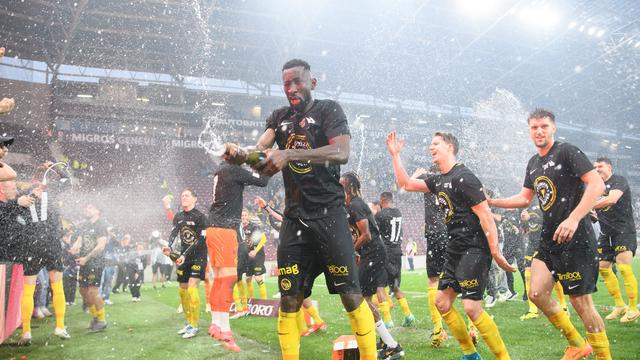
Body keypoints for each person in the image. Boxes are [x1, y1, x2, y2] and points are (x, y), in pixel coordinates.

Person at [236, 59, 377, 359]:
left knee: (351, 296)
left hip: (330, 217)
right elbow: (261, 152)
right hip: (295, 219)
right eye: (286, 83)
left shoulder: (329, 110)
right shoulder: (278, 117)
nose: (292, 88)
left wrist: (289, 153)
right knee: (289, 299)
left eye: (297, 81)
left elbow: (342, 152)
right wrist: (242, 156)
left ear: (312, 83)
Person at [488, 109, 610, 359]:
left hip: (575, 238)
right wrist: (491, 201)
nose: (539, 131)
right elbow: (524, 198)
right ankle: (577, 343)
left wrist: (574, 218)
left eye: (544, 126)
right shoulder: (533, 163)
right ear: (529, 130)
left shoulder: (567, 151)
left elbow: (597, 184)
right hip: (549, 238)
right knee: (536, 294)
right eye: (534, 127)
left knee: (580, 303)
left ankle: (603, 356)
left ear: (553, 128)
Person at [387, 130, 512, 360]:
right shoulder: (439, 179)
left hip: (474, 247)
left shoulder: (464, 177)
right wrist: (396, 155)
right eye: (431, 144)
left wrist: (495, 251)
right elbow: (405, 183)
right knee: (442, 303)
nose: (430, 147)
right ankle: (470, 355)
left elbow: (485, 216)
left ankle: (504, 357)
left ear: (450, 147)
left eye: (436, 144)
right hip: (455, 248)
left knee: (472, 309)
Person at [206, 156, 268, 353]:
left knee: (219, 279)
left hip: (214, 228)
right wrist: (272, 163)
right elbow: (263, 180)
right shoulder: (233, 169)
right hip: (224, 230)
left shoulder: (222, 169)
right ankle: (225, 330)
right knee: (229, 279)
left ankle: (216, 323)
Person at [341, 173, 405, 359]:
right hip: (371, 254)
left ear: (349, 186)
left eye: (341, 184)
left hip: (374, 254)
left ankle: (392, 345)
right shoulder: (350, 204)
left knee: (361, 299)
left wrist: (351, 250)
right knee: (364, 298)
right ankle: (380, 340)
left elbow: (366, 235)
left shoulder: (356, 204)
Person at [255, 195, 327, 336]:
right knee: (299, 293)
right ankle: (315, 323)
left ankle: (304, 329)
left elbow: (281, 218)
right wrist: (266, 208)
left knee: (291, 294)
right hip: (296, 258)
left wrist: (266, 208)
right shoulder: (296, 219)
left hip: (295, 259)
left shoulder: (298, 219)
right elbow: (281, 217)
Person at [593, 157, 639, 323]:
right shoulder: (595, 187)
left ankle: (633, 308)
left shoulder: (619, 180)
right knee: (604, 268)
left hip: (623, 230)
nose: (597, 169)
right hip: (606, 234)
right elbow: (595, 213)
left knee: (624, 268)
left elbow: (612, 199)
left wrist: (589, 204)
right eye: (595, 167)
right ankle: (620, 305)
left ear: (609, 167)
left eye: (600, 166)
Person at [163, 188, 208, 338]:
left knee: (191, 288)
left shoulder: (201, 217)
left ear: (195, 199)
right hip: (183, 257)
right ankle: (188, 323)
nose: (184, 197)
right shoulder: (179, 216)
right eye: (182, 196)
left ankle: (194, 326)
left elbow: (201, 240)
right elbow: (174, 233)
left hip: (198, 256)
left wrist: (185, 254)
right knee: (182, 290)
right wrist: (169, 247)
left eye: (187, 195)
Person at [375, 191, 415, 328]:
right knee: (395, 286)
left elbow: (374, 231)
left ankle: (387, 321)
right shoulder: (398, 212)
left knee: (379, 286)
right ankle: (409, 315)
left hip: (386, 253)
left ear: (383, 200)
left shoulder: (381, 215)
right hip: (397, 252)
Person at [71, 203, 109, 333]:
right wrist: (75, 247)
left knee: (93, 292)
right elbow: (80, 240)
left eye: (90, 207)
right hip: (84, 263)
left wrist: (86, 258)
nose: (87, 209)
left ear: (98, 211)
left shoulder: (101, 224)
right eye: (86, 207)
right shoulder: (85, 225)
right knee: (83, 292)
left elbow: (101, 246)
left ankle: (102, 320)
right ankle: (95, 317)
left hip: (95, 262)